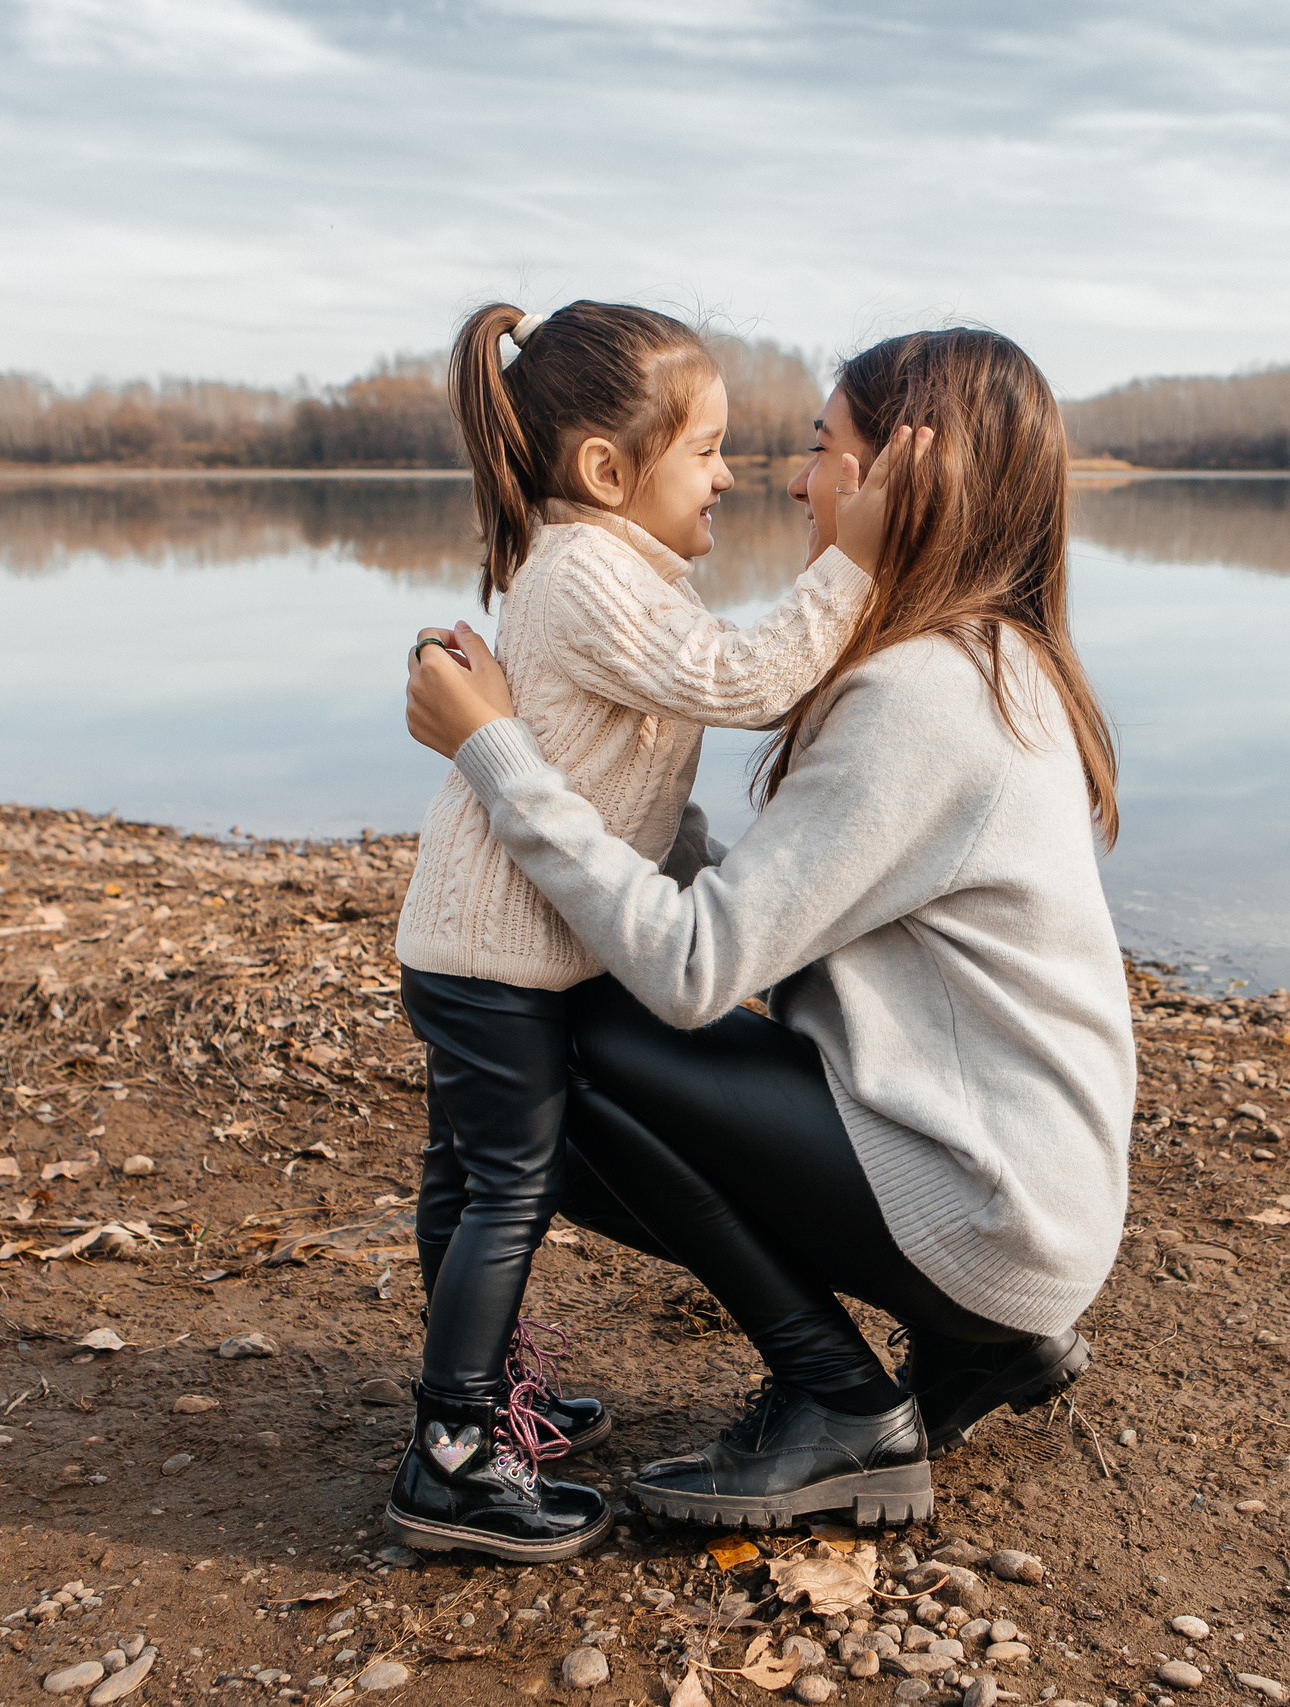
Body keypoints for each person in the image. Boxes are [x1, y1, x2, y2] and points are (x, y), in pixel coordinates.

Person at [403, 327, 1135, 1529]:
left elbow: (696, 968)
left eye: (820, 450)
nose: (792, 482)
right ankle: (978, 1348)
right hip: (1021, 1193)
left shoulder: (919, 694)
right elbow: (795, 905)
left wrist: (497, 753)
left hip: (991, 1209)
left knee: (564, 1034)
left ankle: (836, 1398)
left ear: (906, 479)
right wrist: (640, 815)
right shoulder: (984, 658)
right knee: (563, 1023)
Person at [384, 300, 881, 1562]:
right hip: (495, 964)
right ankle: (450, 1458)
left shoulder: (605, 573)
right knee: (506, 1191)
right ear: (608, 472)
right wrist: (858, 562)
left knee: (471, 1181)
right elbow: (746, 681)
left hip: (481, 952)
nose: (731, 476)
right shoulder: (592, 576)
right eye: (706, 451)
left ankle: (486, 1402)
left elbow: (643, 788)